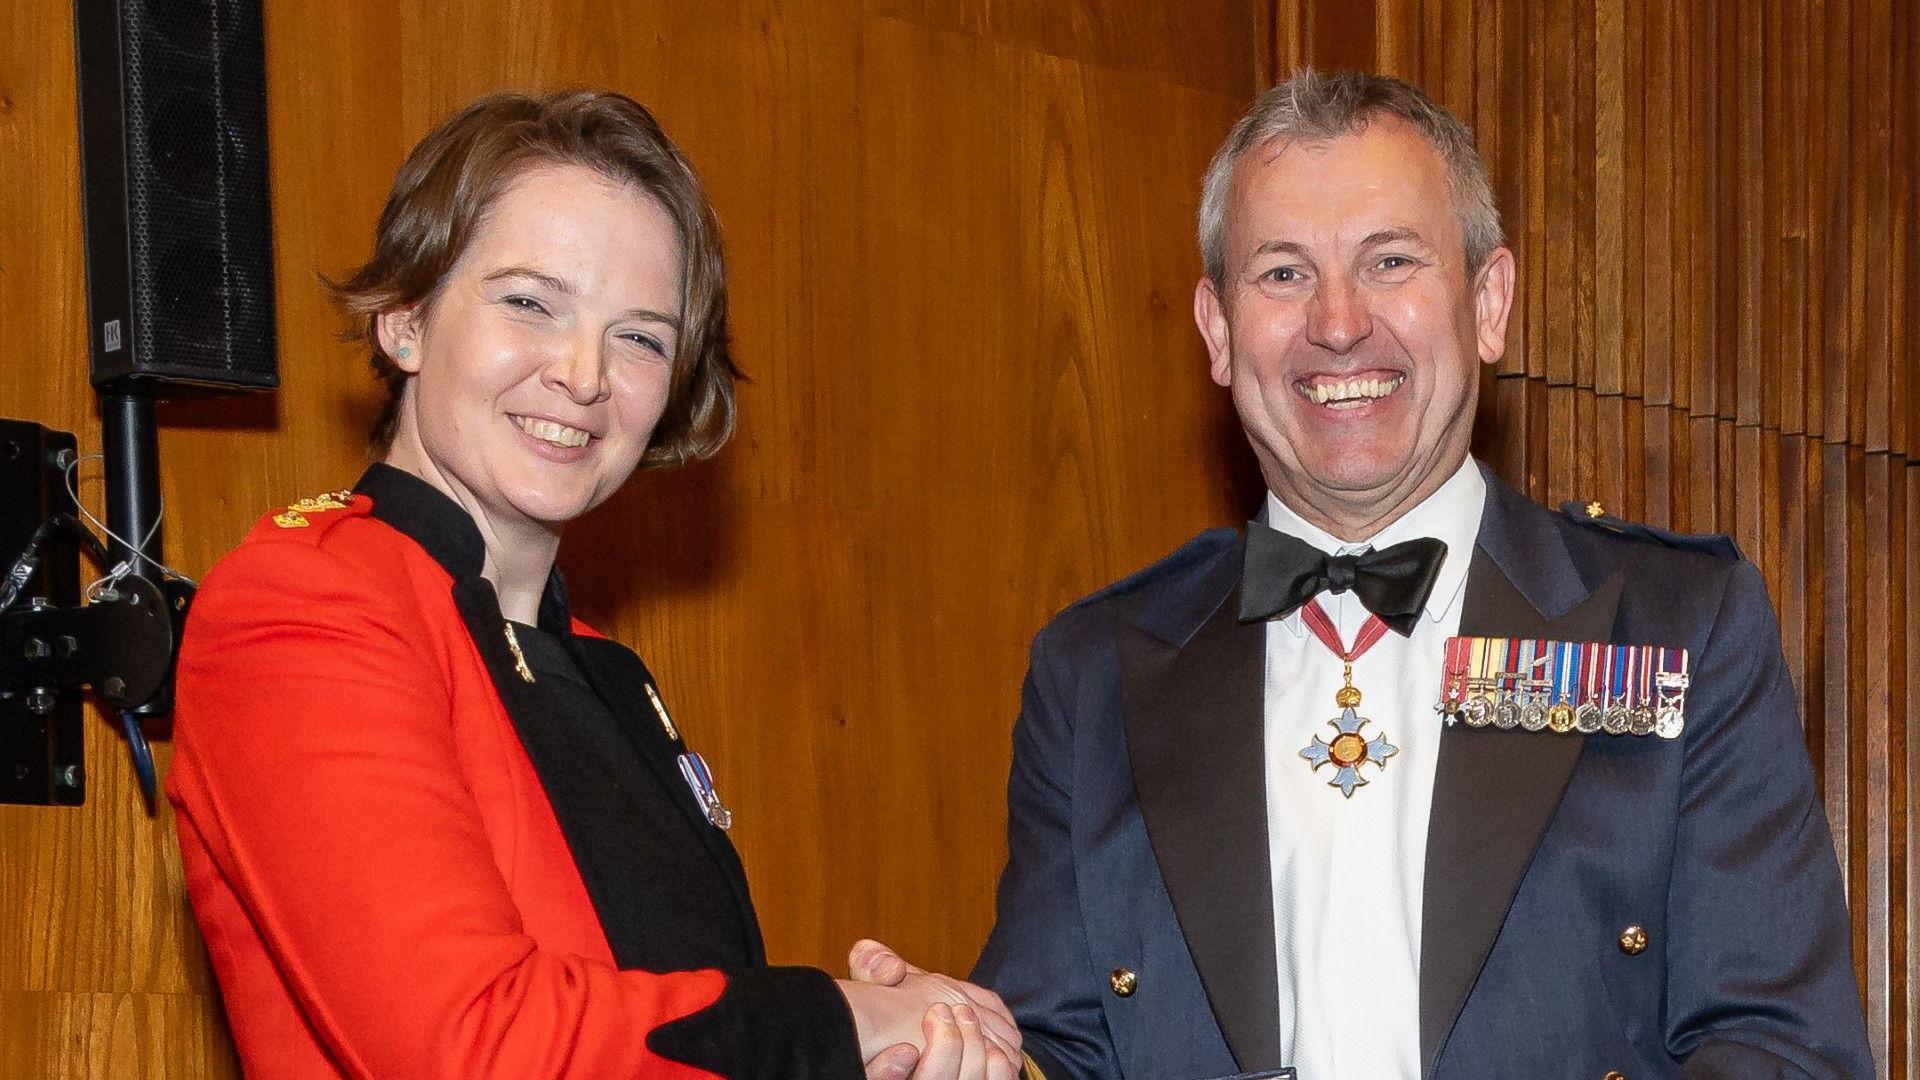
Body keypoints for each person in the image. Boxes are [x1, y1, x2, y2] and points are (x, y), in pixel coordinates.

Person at [857, 70, 1872, 1079]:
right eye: (1284, 273)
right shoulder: (1095, 671)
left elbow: (1781, 1049)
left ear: (1489, 302)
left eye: (1390, 261)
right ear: (1217, 331)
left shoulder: (1671, 632)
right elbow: (1064, 1048)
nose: (1338, 323)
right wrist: (960, 1055)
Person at [167, 90, 1017, 1080]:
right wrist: (834, 1017)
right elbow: (462, 1047)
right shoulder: (301, 606)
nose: (583, 374)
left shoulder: (605, 669)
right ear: (405, 320)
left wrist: (890, 1052)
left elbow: (657, 1032)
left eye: (642, 336)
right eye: (531, 302)